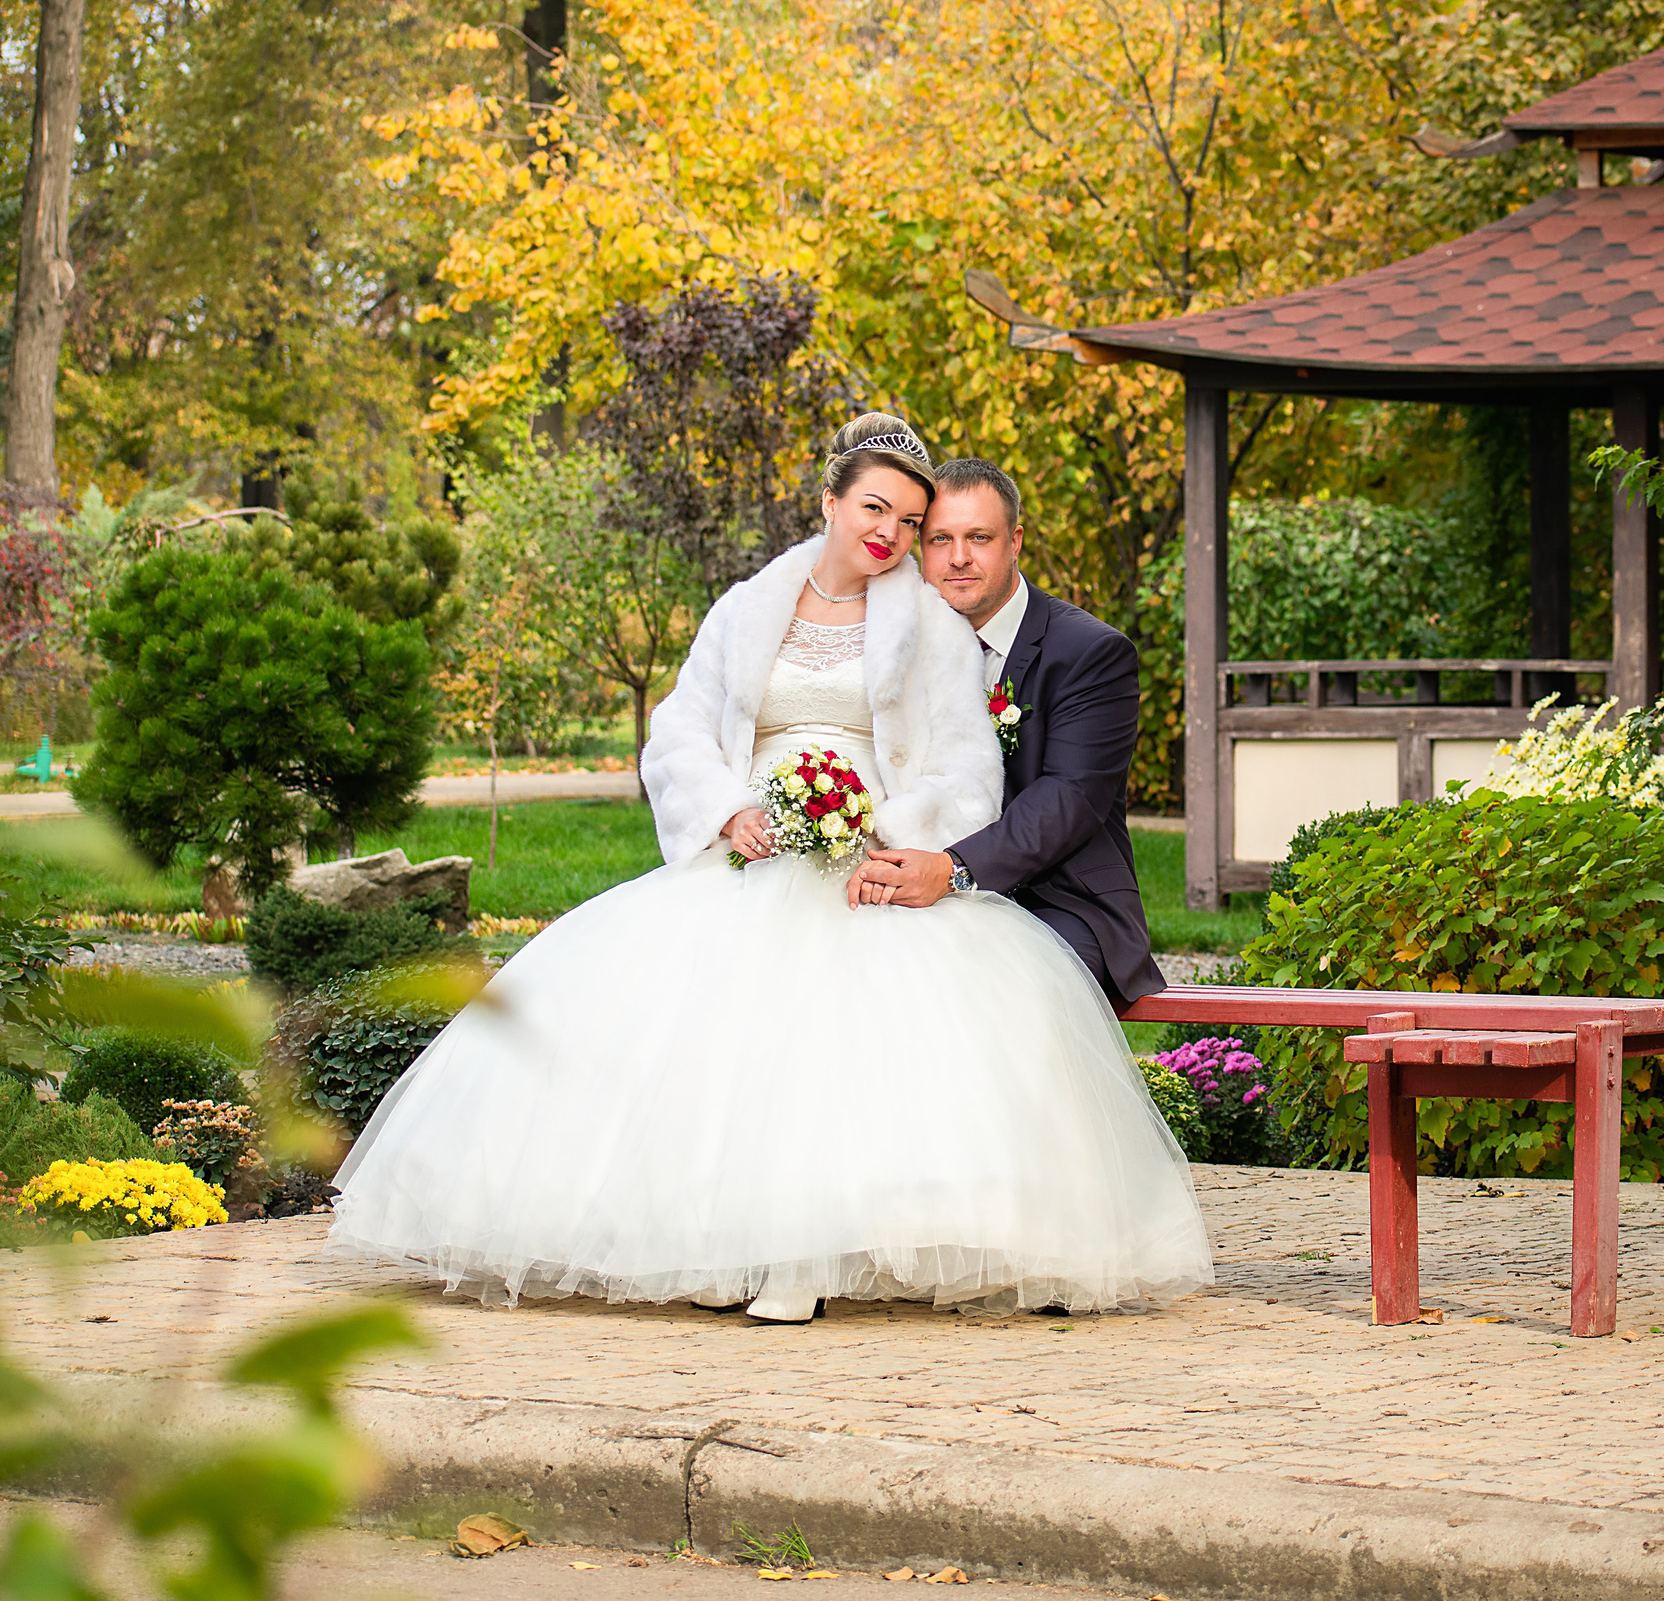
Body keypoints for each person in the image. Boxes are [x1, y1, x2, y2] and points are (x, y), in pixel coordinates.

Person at [326, 414, 1212, 1324]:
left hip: (862, 856)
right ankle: (703, 1242)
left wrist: (881, 827)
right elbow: (677, 728)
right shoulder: (748, 608)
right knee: (692, 1026)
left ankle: (805, 1252)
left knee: (843, 1031)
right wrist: (729, 809)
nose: (893, 536)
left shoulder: (930, 626)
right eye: (880, 510)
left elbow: (967, 766)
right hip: (749, 853)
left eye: (911, 522)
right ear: (830, 501)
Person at [848, 459, 1164, 1007]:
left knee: (989, 996)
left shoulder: (1090, 653)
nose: (959, 557)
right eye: (940, 539)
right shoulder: (893, 642)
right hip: (918, 882)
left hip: (1058, 898)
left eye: (979, 537)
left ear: (1015, 541)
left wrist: (951, 869)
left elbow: (1068, 800)